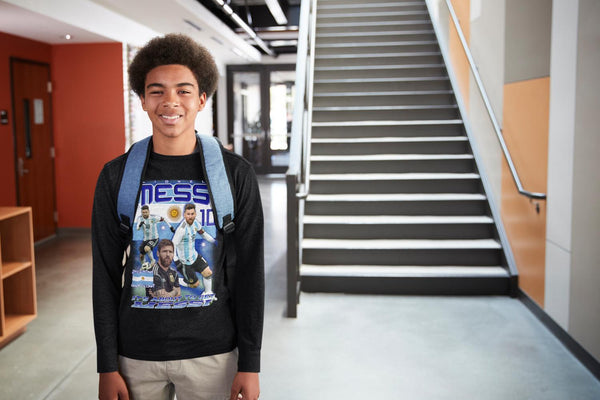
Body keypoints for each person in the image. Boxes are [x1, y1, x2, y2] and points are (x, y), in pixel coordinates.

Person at [92, 33, 264, 400]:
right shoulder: (116, 176)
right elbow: (104, 274)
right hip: (135, 356)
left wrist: (250, 363)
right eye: (156, 91)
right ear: (142, 100)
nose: (170, 101)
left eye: (183, 90)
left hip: (213, 354)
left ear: (202, 99)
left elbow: (250, 272)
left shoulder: (234, 174)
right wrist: (107, 364)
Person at [172, 203, 217, 296]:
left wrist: (214, 241)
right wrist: (176, 261)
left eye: (192, 214)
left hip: (195, 257)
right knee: (195, 285)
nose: (190, 216)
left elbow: (203, 234)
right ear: (184, 215)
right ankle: (174, 279)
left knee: (208, 273)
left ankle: (208, 293)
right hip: (185, 263)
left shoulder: (195, 223)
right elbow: (173, 244)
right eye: (188, 214)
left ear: (195, 214)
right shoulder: (181, 230)